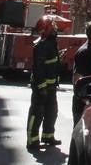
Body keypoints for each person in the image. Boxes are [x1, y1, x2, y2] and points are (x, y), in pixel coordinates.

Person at [26, 15, 63, 151]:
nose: (55, 28)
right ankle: (32, 140)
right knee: (37, 113)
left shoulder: (51, 43)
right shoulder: (41, 45)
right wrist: (42, 87)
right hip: (42, 87)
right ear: (47, 28)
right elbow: (38, 68)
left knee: (51, 112)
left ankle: (48, 136)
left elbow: (50, 64)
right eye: (52, 26)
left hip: (51, 87)